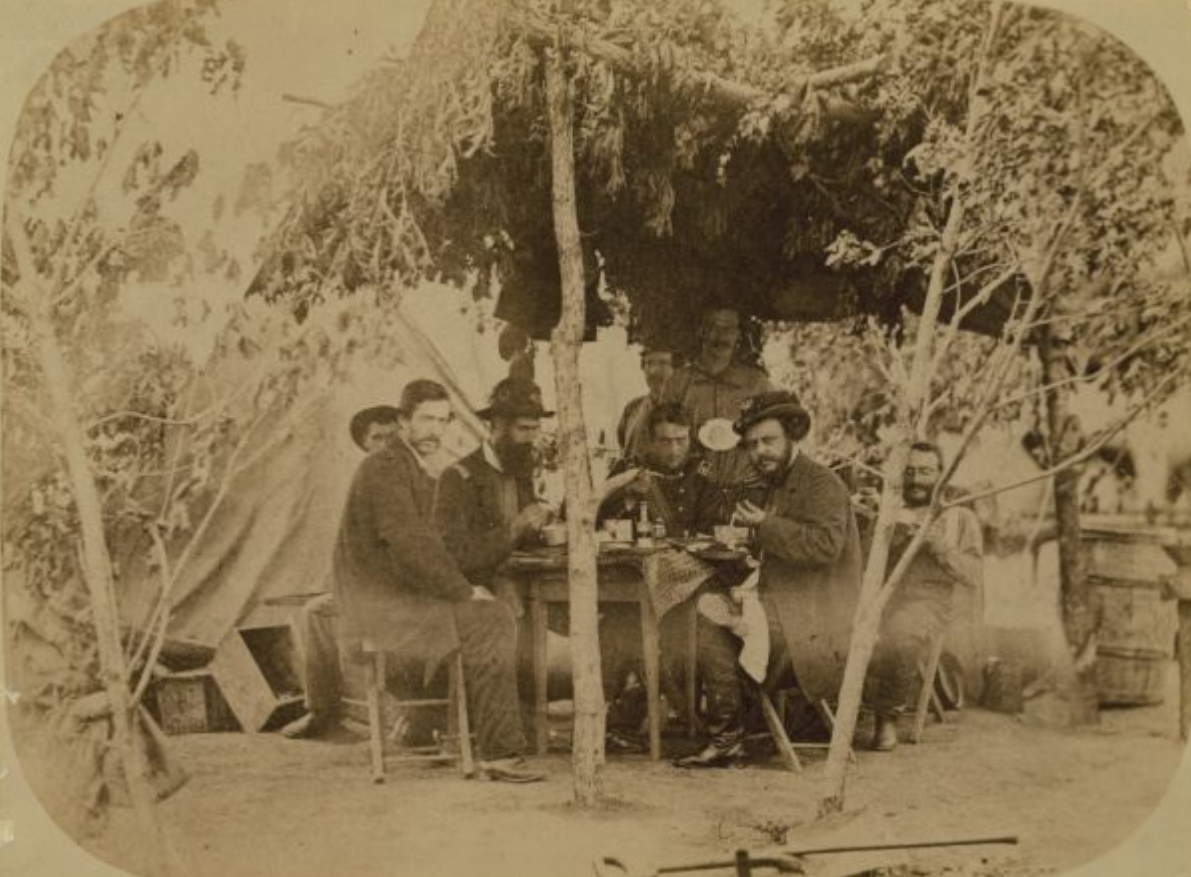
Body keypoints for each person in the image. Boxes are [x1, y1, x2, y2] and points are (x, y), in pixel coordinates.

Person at [332, 378, 543, 782]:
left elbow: (427, 547)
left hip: (392, 598)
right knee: (491, 618)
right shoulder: (385, 466)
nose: (435, 430)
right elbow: (409, 545)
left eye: (443, 421)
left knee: (485, 611)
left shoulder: (411, 466)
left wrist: (461, 588)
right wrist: (463, 591)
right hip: (377, 605)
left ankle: (456, 732)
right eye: (426, 419)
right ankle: (498, 754)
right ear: (403, 421)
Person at [677, 390, 862, 768]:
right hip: (789, 607)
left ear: (792, 435)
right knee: (705, 602)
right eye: (752, 444)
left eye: (769, 440)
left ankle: (728, 736)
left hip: (817, 625)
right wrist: (753, 539)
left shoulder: (822, 484)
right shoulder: (778, 481)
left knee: (710, 622)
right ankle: (733, 727)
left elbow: (824, 547)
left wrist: (765, 525)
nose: (760, 451)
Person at [281, 402, 403, 740]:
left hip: (400, 594)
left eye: (393, 438)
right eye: (377, 438)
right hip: (368, 589)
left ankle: (411, 716)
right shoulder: (364, 480)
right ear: (365, 444)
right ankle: (321, 712)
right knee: (314, 613)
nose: (385, 446)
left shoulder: (409, 478)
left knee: (356, 625)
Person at [867, 441, 983, 752]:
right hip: (877, 597)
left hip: (927, 601)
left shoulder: (959, 516)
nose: (916, 480)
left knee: (901, 633)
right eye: (910, 472)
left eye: (925, 472)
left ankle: (887, 718)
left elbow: (972, 574)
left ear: (941, 474)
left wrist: (937, 545)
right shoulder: (886, 507)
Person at [434, 378, 554, 612]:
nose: (531, 438)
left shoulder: (519, 467)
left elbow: (528, 538)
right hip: (476, 592)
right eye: (523, 429)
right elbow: (455, 556)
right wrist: (514, 529)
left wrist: (543, 525)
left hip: (525, 584)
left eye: (535, 428)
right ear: (497, 425)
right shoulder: (458, 477)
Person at [660, 306, 772, 492]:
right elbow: (662, 437)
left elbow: (774, 434)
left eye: (729, 329)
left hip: (745, 488)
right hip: (690, 488)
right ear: (702, 332)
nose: (721, 336)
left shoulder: (757, 383)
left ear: (738, 335)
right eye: (714, 327)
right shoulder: (679, 383)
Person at [616, 346, 678, 464]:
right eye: (648, 363)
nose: (653, 371)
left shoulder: (689, 407)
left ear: (676, 369)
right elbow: (623, 451)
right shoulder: (632, 408)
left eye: (663, 363)